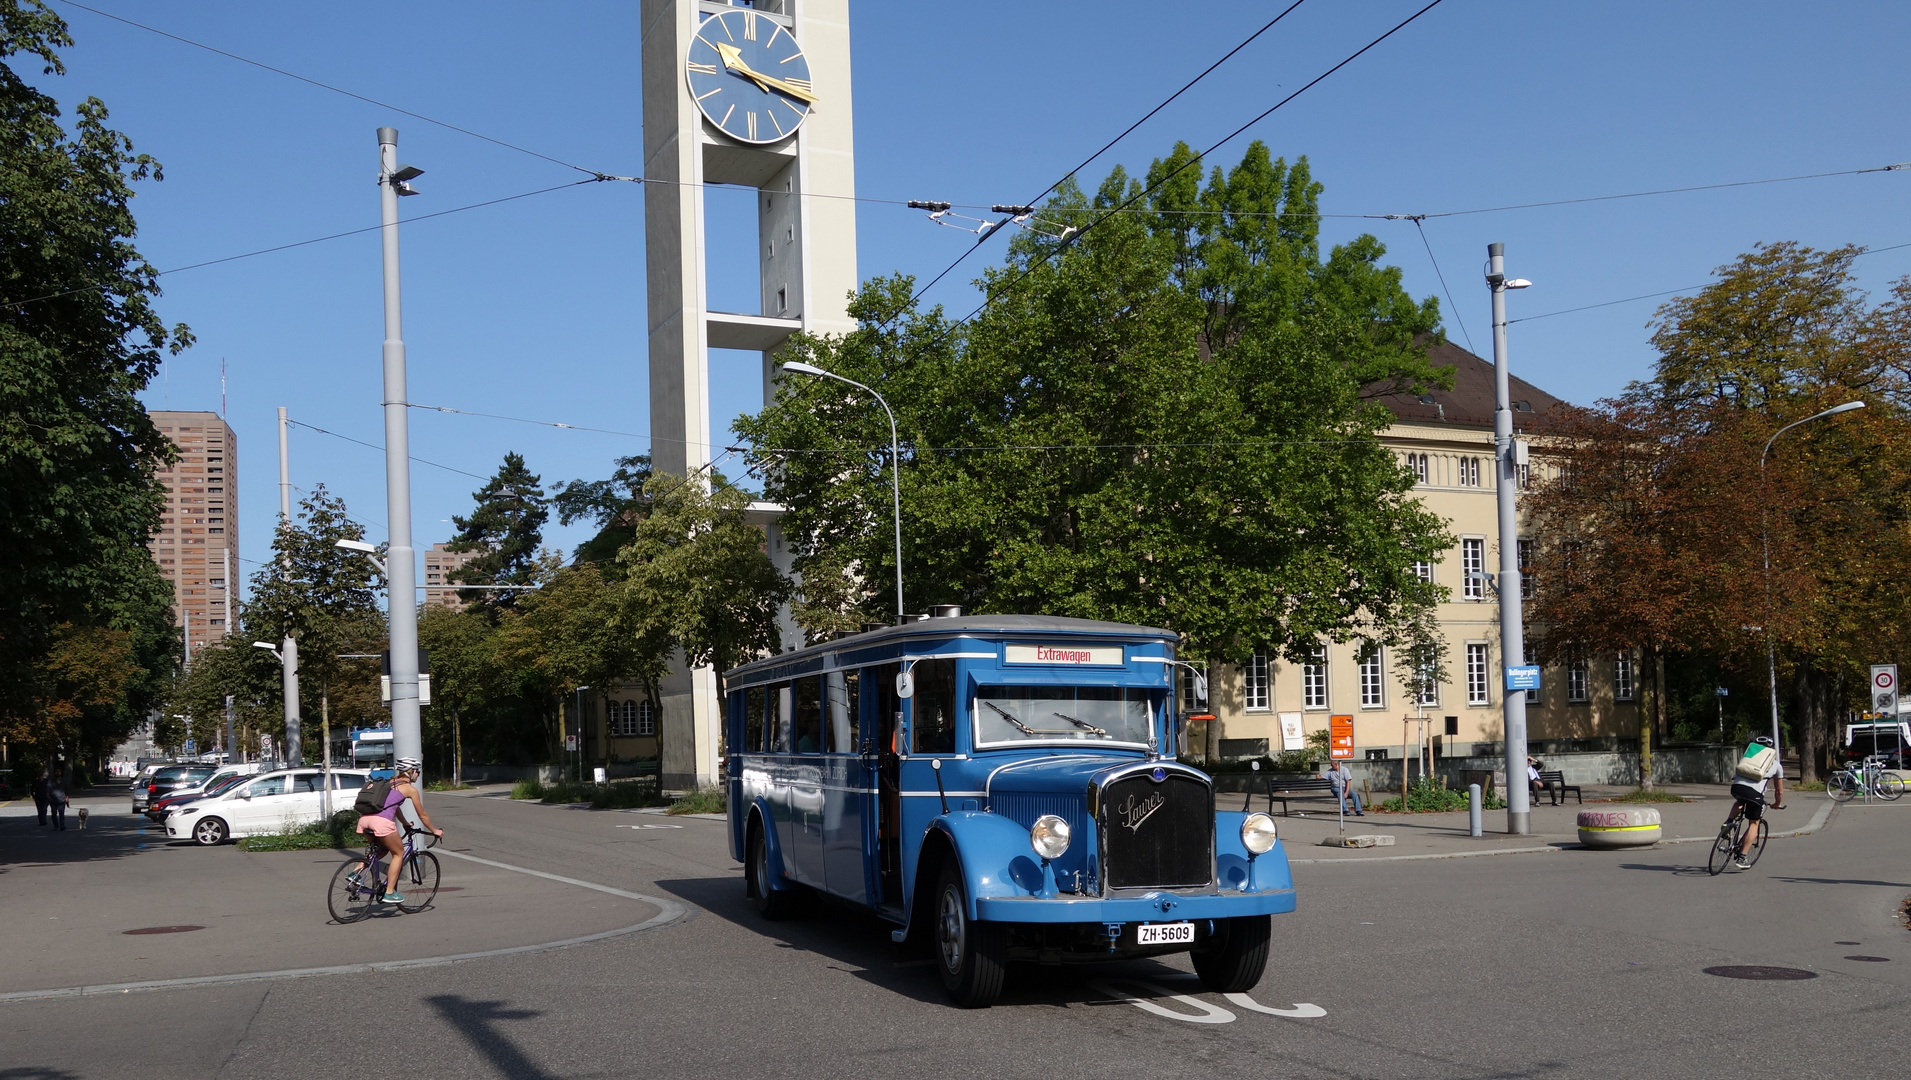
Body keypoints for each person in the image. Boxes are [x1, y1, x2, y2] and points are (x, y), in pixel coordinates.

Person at [354, 757, 443, 904]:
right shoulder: (410, 789)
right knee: (398, 854)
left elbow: (393, 807)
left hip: (364, 821)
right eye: (417, 771)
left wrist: (405, 823)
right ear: (410, 771)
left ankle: (355, 873)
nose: (418, 775)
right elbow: (422, 815)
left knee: (381, 851)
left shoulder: (389, 783)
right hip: (381, 824)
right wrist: (434, 830)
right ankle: (389, 892)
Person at [1729, 736, 1785, 869]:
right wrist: (1777, 803)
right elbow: (1779, 791)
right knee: (1754, 823)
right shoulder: (1776, 765)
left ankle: (1728, 822)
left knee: (1740, 801)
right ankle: (1742, 857)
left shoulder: (1747, 758)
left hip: (1736, 788)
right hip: (1754, 795)